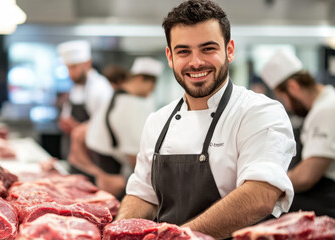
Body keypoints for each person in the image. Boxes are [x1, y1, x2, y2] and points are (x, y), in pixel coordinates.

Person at [114, 1, 296, 238]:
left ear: (229, 50)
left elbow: (260, 195)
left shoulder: (259, 112)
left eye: (208, 49)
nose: (196, 62)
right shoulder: (157, 120)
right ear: (170, 56)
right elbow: (142, 194)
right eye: (183, 51)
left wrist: (177, 237)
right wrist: (117, 232)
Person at [69, 57, 163, 199]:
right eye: (152, 84)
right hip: (113, 179)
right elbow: (135, 158)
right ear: (140, 79)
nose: (152, 89)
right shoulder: (129, 104)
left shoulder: (117, 97)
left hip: (105, 173)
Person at [260, 50, 335, 218]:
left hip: (329, 200)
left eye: (283, 98)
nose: (287, 106)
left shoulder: (327, 109)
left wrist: (267, 184)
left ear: (293, 87)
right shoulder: (324, 105)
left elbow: (307, 176)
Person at [57, 40, 113, 174]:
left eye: (74, 67)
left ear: (87, 63)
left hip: (93, 159)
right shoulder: (75, 87)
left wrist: (78, 128)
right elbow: (67, 113)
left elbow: (105, 125)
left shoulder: (99, 88)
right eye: (68, 68)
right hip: (75, 156)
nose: (70, 72)